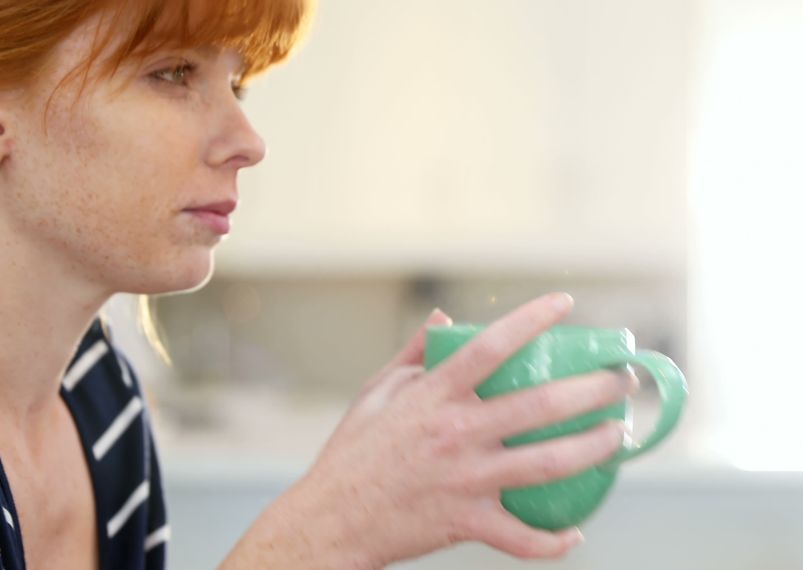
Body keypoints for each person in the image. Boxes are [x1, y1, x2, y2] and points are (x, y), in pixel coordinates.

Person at [0, 0, 637, 568]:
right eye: (172, 73)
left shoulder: (102, 398)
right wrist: (319, 539)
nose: (248, 141)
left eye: (238, 85)